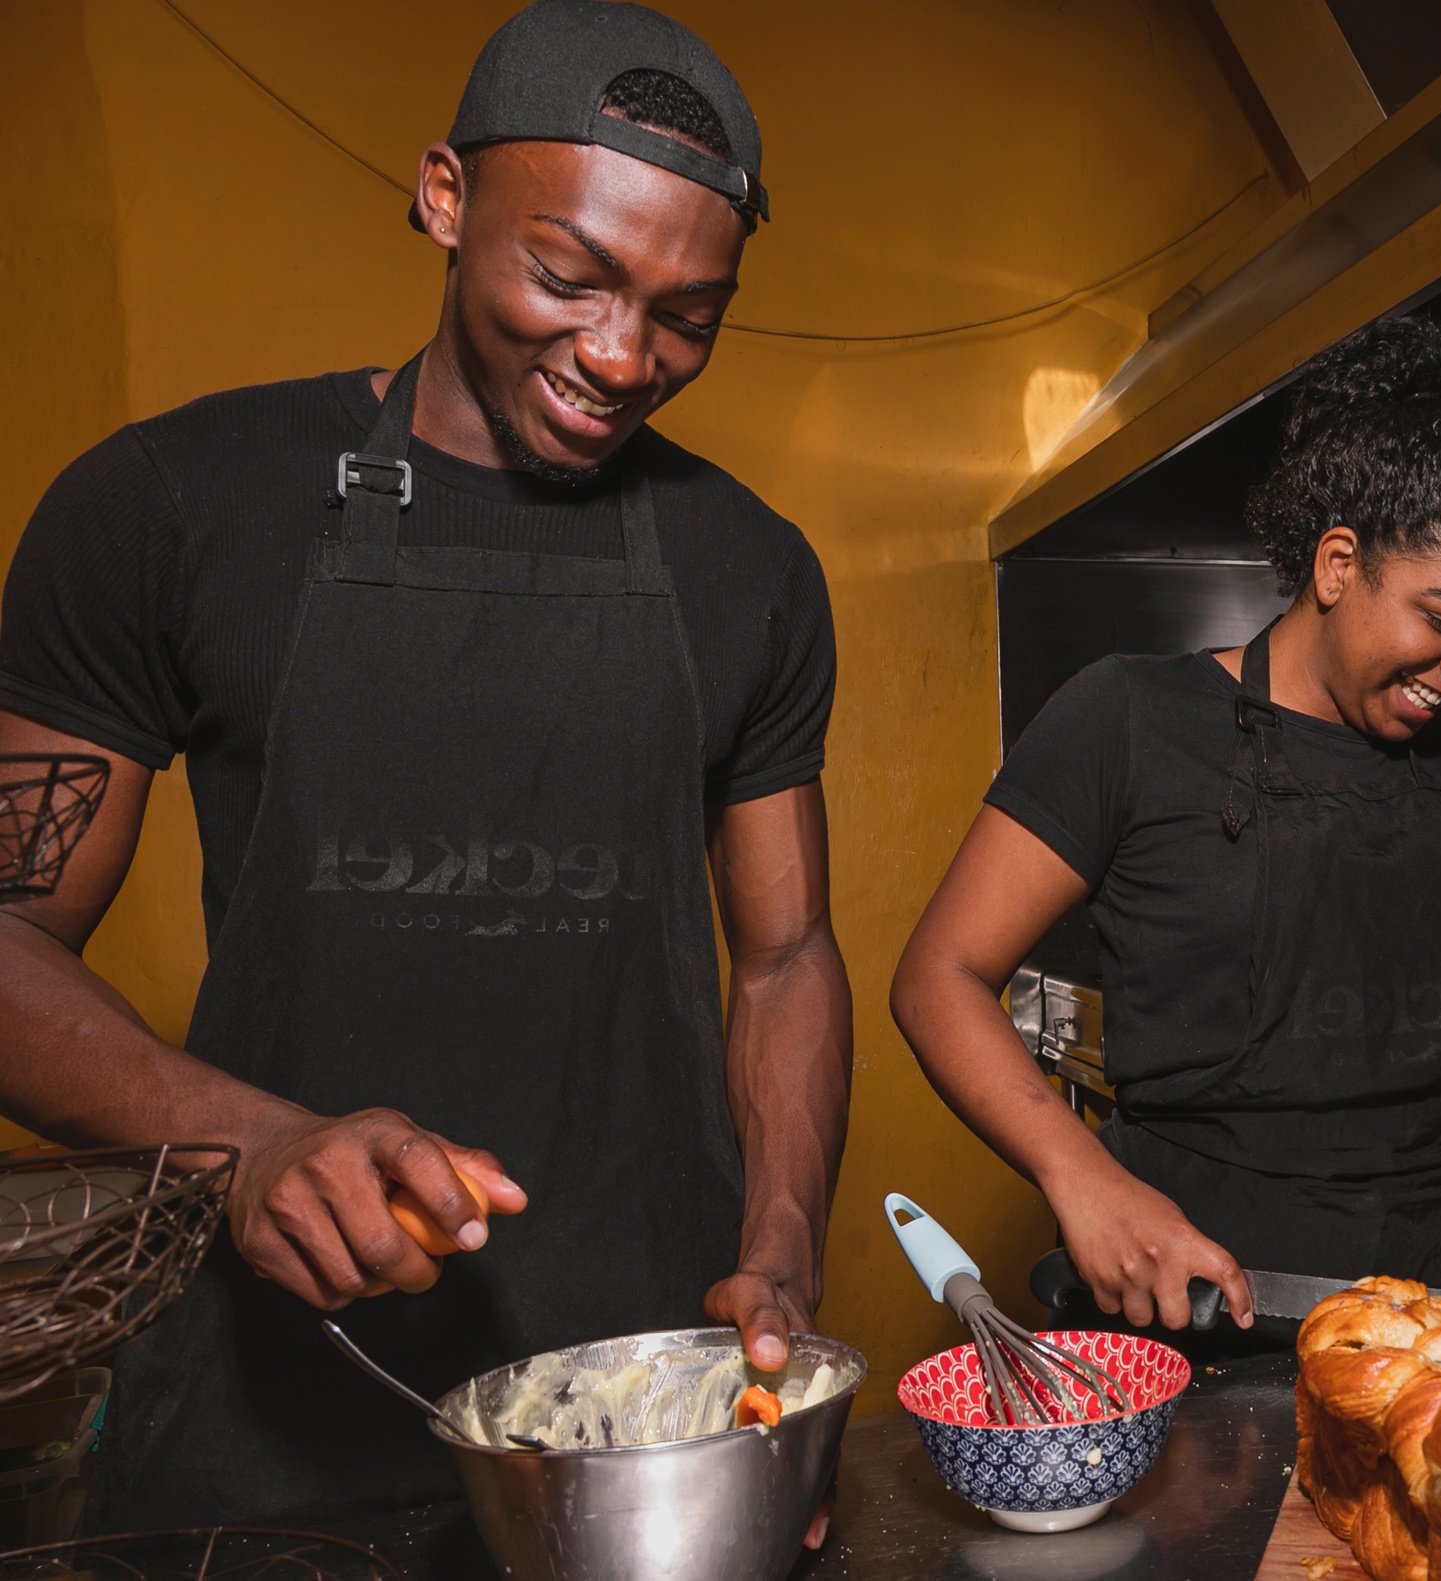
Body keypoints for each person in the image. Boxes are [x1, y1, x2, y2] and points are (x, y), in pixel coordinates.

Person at [0, 1, 849, 1536]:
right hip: (271, 1425)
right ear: (445, 198)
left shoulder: (752, 572)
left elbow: (786, 957)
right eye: (567, 276)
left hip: (642, 1421)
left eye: (686, 315)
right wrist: (249, 1143)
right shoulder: (174, 507)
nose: (618, 355)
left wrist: (784, 1238)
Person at [892, 317, 1441, 1333]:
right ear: (1337, 565)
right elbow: (938, 976)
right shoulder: (1126, 718)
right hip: (1206, 1314)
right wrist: (1081, 1179)